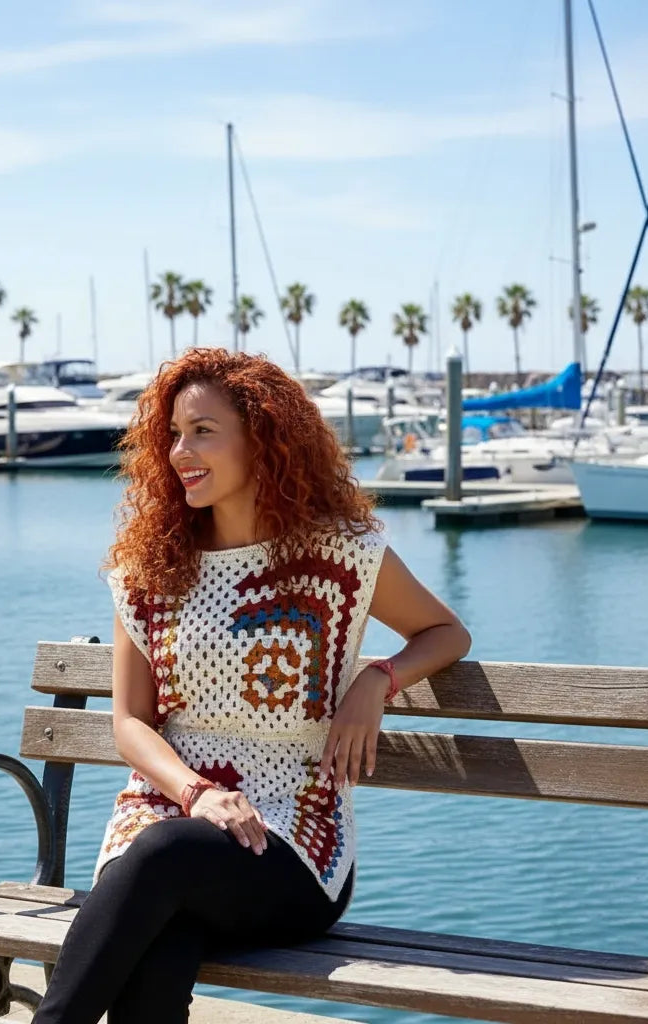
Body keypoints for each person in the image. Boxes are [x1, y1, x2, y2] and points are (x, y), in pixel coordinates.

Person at [33, 348, 471, 1024]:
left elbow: (445, 633)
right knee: (156, 953)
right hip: (163, 826)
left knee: (163, 860)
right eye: (174, 434)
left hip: (295, 845)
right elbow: (131, 724)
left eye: (203, 431)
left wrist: (376, 679)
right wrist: (197, 794)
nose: (181, 450)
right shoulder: (149, 570)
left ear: (262, 441)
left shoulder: (341, 555)